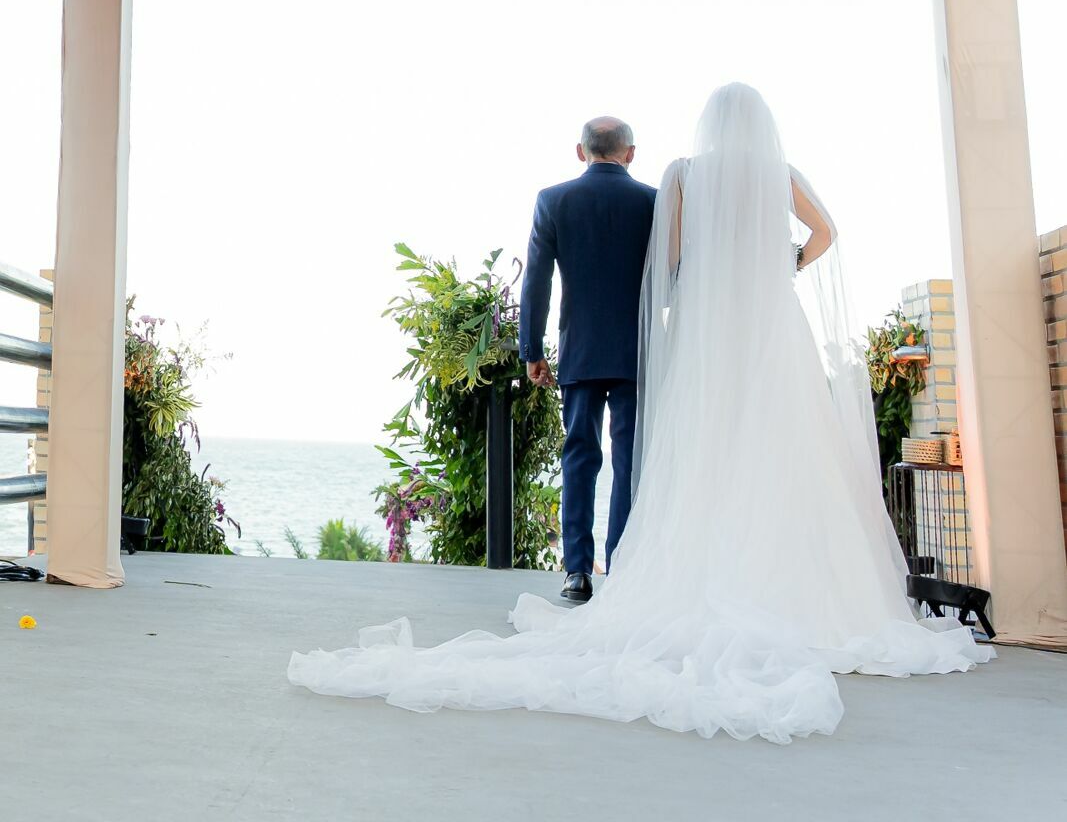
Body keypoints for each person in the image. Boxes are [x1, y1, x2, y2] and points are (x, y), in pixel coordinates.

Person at [289, 85, 991, 742]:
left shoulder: (673, 178)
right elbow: (825, 232)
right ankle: (742, 575)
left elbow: (665, 262)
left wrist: (663, 303)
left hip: (673, 336)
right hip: (764, 327)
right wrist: (781, 266)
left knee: (655, 451)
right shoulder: (765, 176)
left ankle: (590, 571)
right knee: (765, 447)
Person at [518, 115, 657, 603]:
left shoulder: (553, 200)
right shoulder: (653, 201)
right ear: (630, 153)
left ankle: (577, 571)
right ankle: (621, 567)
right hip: (638, 351)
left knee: (579, 456)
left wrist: (532, 350)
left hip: (580, 347)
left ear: (581, 151)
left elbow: (536, 281)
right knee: (629, 461)